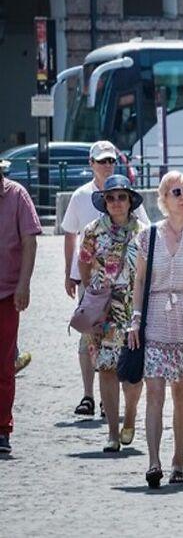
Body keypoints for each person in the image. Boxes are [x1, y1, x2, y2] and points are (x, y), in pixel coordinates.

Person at [129, 171, 183, 487]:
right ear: (163, 199)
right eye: (176, 191)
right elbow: (138, 280)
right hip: (154, 317)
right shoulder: (148, 236)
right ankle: (153, 461)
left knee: (182, 394)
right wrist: (135, 318)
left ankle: (178, 460)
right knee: (154, 392)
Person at [62, 141, 148, 418]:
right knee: (90, 340)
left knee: (126, 351)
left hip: (129, 294)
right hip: (95, 288)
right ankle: (90, 395)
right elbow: (71, 239)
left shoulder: (138, 223)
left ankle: (118, 407)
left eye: (111, 160)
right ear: (91, 164)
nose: (107, 164)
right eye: (102, 161)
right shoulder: (79, 196)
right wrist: (73, 276)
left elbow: (146, 241)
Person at [78, 175, 146, 452]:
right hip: (104, 312)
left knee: (133, 372)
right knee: (106, 369)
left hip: (134, 310)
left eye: (121, 197)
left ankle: (130, 416)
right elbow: (83, 264)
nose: (116, 202)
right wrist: (91, 296)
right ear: (104, 202)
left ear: (130, 201)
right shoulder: (92, 231)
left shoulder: (144, 231)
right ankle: (112, 434)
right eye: (110, 197)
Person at [0, 158, 41, 454]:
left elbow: (30, 241)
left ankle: (2, 428)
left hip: (6, 293)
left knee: (3, 364)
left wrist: (24, 284)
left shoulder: (17, 195)